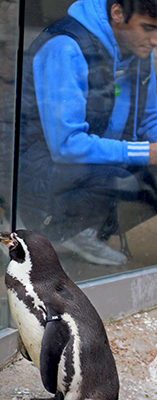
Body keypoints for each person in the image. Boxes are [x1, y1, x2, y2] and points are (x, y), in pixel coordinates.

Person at [18, 0, 157, 266]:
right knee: (126, 175)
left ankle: (83, 228)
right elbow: (66, 145)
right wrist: (147, 152)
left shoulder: (138, 52)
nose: (155, 40)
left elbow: (150, 118)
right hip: (37, 167)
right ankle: (46, 225)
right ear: (117, 13)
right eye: (148, 28)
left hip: (93, 157)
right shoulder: (67, 46)